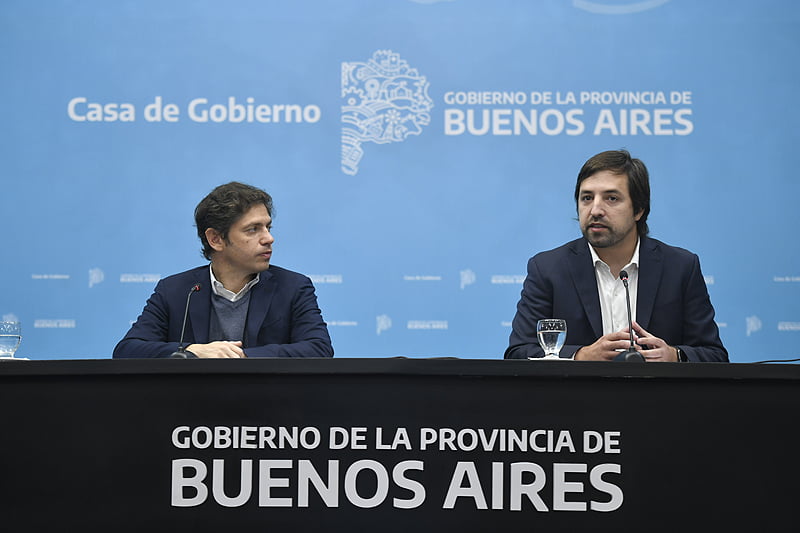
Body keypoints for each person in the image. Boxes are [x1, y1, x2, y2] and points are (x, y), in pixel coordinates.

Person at [504, 150, 727, 362]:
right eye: (587, 198)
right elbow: (519, 353)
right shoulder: (548, 269)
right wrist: (581, 356)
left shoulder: (680, 267)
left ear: (639, 209)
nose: (595, 210)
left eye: (611, 198)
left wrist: (674, 355)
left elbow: (714, 355)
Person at [113, 182, 333, 359]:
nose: (269, 238)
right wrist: (192, 351)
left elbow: (318, 348)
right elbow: (128, 350)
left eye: (268, 227)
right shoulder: (175, 290)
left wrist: (241, 357)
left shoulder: (293, 287)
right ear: (216, 239)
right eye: (253, 229)